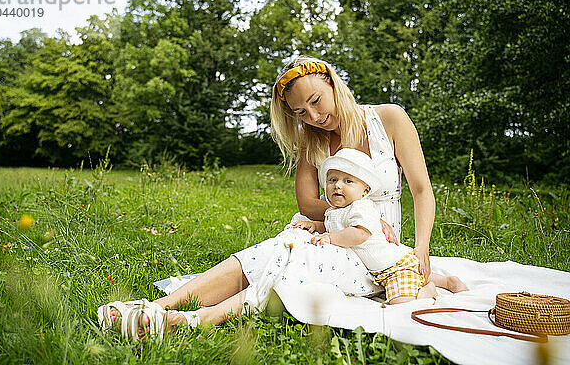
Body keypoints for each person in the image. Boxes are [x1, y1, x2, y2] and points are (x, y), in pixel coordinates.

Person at [98, 56, 467, 340]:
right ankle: (157, 307)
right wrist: (349, 213)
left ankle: (190, 321)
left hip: (375, 242)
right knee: (281, 246)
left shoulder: (389, 119)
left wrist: (420, 248)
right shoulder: (311, 138)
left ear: (332, 83)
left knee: (297, 258)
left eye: (316, 101)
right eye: (300, 112)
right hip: (331, 226)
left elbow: (421, 189)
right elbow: (307, 203)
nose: (314, 115)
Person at [294, 148, 467, 304]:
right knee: (412, 276)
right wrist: (314, 226)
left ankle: (429, 290)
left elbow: (358, 234)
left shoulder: (362, 207)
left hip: (395, 266)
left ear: (365, 191)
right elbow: (331, 226)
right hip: (383, 271)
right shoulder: (334, 211)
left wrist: (330, 238)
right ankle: (446, 281)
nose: (338, 185)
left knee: (401, 302)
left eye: (348, 181)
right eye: (332, 179)